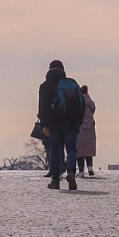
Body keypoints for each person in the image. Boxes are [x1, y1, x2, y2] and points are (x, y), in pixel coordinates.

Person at [38, 60, 85, 191]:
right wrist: (78, 122)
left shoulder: (45, 86)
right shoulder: (71, 83)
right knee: (71, 149)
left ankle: (55, 180)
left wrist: (44, 125)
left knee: (55, 151)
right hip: (71, 122)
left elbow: (43, 107)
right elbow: (82, 105)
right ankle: (71, 173)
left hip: (54, 123)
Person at [76, 85, 97, 177]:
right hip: (90, 127)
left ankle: (81, 171)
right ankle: (90, 167)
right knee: (89, 150)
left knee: (79, 150)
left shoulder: (78, 102)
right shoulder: (91, 103)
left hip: (80, 128)